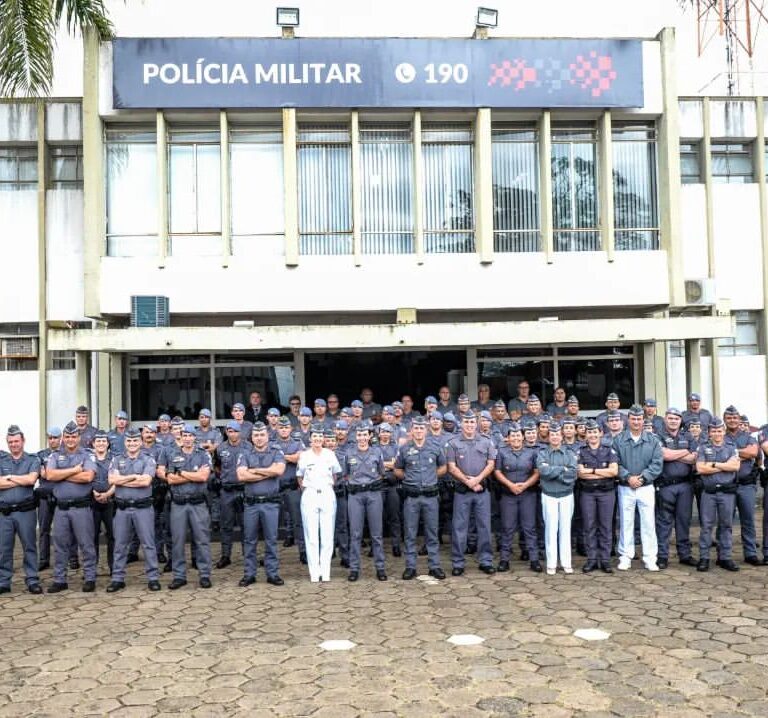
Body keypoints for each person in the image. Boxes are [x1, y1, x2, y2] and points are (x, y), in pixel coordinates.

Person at [107, 428, 161, 592]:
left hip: (142, 508)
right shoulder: (116, 460)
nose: (132, 444)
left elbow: (145, 482)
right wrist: (133, 477)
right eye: (129, 441)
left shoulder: (148, 459)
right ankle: (117, 578)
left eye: (135, 440)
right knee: (120, 545)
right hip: (122, 509)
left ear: (140, 442)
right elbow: (112, 479)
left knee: (148, 544)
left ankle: (153, 578)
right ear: (125, 442)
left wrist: (122, 480)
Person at [46, 422, 97, 593]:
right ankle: (60, 580)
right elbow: (50, 475)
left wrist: (62, 475)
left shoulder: (87, 455)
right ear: (63, 438)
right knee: (60, 545)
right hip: (61, 510)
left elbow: (88, 477)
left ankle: (90, 578)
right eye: (67, 437)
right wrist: (75, 470)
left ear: (79, 437)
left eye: (73, 436)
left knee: (86, 544)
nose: (70, 439)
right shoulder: (55, 456)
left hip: (81, 508)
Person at [159, 425, 213, 590]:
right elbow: (170, 479)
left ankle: (204, 575)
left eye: (190, 435)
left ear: (194, 437)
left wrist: (181, 473)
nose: (188, 438)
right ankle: (179, 576)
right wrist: (192, 475)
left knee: (202, 540)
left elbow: (203, 477)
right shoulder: (172, 454)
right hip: (179, 503)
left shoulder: (203, 454)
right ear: (180, 437)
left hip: (198, 504)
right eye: (185, 435)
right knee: (177, 541)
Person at [394, 416, 447, 580]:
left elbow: (443, 467)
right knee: (410, 533)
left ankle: (434, 566)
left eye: (421, 428)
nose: (418, 431)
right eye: (415, 428)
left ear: (426, 429)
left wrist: (431, 477)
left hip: (430, 496)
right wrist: (410, 479)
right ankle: (410, 567)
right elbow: (397, 469)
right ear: (411, 430)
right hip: (412, 497)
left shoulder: (435, 446)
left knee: (431, 532)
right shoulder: (404, 449)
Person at [613, 405, 663, 572]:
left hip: (646, 487)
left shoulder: (653, 440)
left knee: (648, 522)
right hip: (625, 487)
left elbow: (657, 464)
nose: (636, 422)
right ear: (628, 419)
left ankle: (650, 558)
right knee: (626, 522)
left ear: (643, 420)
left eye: (639, 419)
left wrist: (642, 478)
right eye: (633, 419)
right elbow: (615, 463)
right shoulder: (618, 440)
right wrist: (628, 477)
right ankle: (625, 556)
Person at [446, 412, 497, 576]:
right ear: (461, 423)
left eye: (472, 422)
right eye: (466, 422)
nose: (469, 425)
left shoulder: (486, 441)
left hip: (481, 490)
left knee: (484, 526)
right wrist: (468, 482)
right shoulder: (453, 443)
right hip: (462, 491)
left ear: (477, 423)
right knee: (459, 527)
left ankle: (486, 561)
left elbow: (491, 464)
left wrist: (477, 480)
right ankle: (458, 563)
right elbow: (451, 467)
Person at [236, 423, 286, 586]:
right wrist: (267, 471)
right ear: (252, 437)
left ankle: (272, 573)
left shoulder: (276, 451)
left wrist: (254, 470)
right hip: (251, 505)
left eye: (262, 435)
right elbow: (241, 476)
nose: (259, 438)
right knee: (249, 540)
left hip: (270, 503)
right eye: (256, 435)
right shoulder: (245, 453)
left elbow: (278, 471)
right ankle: (249, 574)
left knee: (271, 540)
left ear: (267, 436)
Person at [493, 423, 541, 573]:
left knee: (529, 528)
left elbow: (537, 472)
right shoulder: (502, 452)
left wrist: (525, 485)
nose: (515, 438)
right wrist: (510, 485)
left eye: (518, 435)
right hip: (508, 494)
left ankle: (534, 560)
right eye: (512, 435)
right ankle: (504, 560)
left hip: (528, 494)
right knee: (507, 528)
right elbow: (497, 472)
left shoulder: (532, 453)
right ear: (508, 438)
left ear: (523, 437)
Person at [0, 425, 42, 594]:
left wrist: (9, 477)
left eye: (17, 441)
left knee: (30, 546)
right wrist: (20, 479)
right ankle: (3, 581)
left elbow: (31, 480)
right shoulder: (2, 461)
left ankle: (32, 580)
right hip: (5, 513)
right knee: (4, 549)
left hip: (26, 512)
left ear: (23, 441)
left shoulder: (32, 460)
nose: (14, 444)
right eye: (10, 442)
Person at [342, 424, 387, 581]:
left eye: (364, 434)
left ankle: (380, 568)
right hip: (355, 496)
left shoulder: (377, 452)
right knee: (355, 534)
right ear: (356, 437)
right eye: (359, 434)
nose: (361, 438)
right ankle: (354, 569)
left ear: (369, 436)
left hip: (373, 494)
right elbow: (345, 474)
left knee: (376, 534)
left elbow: (382, 473)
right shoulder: (348, 453)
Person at [297, 427, 342, 582]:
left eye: (320, 436)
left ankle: (326, 571)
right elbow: (300, 477)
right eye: (314, 436)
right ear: (310, 439)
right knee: (311, 535)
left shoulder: (330, 454)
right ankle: (314, 573)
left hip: (327, 493)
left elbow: (335, 475)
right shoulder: (304, 455)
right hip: (310, 493)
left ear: (323, 439)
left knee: (327, 534)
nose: (317, 439)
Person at [696, 417, 740, 571]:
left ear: (724, 431)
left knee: (726, 525)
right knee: (706, 526)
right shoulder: (703, 447)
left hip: (727, 493)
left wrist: (713, 464)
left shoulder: (731, 446)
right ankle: (704, 558)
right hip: (709, 493)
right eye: (713, 431)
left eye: (719, 430)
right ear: (709, 432)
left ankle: (725, 558)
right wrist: (724, 466)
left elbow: (735, 466)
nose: (717, 433)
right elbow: (701, 468)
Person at [655, 408, 697, 569]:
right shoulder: (657, 435)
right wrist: (685, 452)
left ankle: (685, 555)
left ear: (681, 420)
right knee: (664, 522)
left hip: (685, 485)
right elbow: (663, 455)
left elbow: (695, 458)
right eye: (670, 418)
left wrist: (674, 453)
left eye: (676, 418)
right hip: (666, 485)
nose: (673, 421)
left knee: (683, 521)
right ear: (665, 419)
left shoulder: (688, 436)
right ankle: (662, 556)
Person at [577, 420, 618, 574]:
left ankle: (605, 560)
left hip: (606, 493)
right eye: (589, 432)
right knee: (589, 526)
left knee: (606, 527)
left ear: (600, 433)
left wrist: (591, 471)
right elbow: (580, 473)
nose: (592, 435)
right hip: (587, 493)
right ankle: (592, 559)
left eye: (595, 432)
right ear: (585, 435)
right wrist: (601, 471)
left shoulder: (609, 450)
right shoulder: (581, 451)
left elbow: (614, 472)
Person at [536, 422, 578, 575]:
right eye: (552, 434)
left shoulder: (569, 453)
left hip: (566, 494)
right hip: (549, 495)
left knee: (565, 529)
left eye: (557, 434)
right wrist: (562, 469)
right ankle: (551, 564)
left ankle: (566, 563)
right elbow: (543, 471)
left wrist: (553, 471)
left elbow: (573, 473)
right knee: (550, 529)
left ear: (561, 436)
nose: (555, 437)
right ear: (549, 437)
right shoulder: (542, 453)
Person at [723, 405, 761, 565]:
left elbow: (753, 452)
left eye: (735, 418)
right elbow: (719, 455)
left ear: (739, 420)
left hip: (746, 485)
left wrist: (731, 453)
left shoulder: (748, 436)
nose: (732, 420)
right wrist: (741, 453)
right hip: (726, 485)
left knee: (748, 520)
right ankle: (724, 555)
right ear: (725, 419)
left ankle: (750, 553)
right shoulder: (719, 435)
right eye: (729, 417)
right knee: (725, 522)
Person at [214, 421, 247, 569]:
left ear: (240, 432)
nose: (232, 434)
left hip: (244, 490)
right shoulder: (220, 448)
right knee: (226, 525)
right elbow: (217, 466)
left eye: (235, 431)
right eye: (229, 431)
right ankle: (225, 555)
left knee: (246, 525)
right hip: (227, 491)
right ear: (226, 432)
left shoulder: (248, 447)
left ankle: (248, 555)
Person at [274, 417, 306, 562]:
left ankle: (303, 552)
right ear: (277, 429)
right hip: (275, 488)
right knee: (272, 523)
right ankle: (271, 555)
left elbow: (301, 458)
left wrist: (280, 457)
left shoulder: (298, 443)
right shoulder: (271, 444)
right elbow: (269, 460)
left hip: (293, 488)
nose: (284, 429)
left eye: (286, 427)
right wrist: (289, 457)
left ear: (291, 429)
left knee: (298, 521)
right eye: (281, 427)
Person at [35, 427, 61, 571]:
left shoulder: (65, 454)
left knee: (64, 530)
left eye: (55, 438)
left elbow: (51, 474)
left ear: (60, 438)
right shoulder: (40, 455)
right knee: (44, 529)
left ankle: (71, 558)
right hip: (45, 497)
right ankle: (44, 559)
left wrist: (52, 473)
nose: (52, 440)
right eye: (50, 437)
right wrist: (56, 473)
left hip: (60, 496)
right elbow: (43, 474)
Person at [90, 430, 115, 575]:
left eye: (103, 441)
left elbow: (118, 479)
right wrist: (94, 493)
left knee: (112, 536)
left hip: (110, 501)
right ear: (93, 443)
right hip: (92, 502)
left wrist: (107, 494)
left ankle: (113, 567)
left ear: (108, 444)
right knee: (92, 536)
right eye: (98, 441)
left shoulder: (114, 459)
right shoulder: (87, 459)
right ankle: (92, 569)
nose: (101, 444)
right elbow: (86, 479)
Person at [377, 423, 402, 557]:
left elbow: (397, 464)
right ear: (379, 433)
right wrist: (388, 464)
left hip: (393, 485)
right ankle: (376, 547)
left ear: (391, 433)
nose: (385, 434)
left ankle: (396, 545)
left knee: (394, 516)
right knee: (377, 517)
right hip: (378, 486)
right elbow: (374, 464)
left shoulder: (396, 447)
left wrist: (383, 464)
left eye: (388, 431)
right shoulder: (373, 447)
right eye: (383, 431)